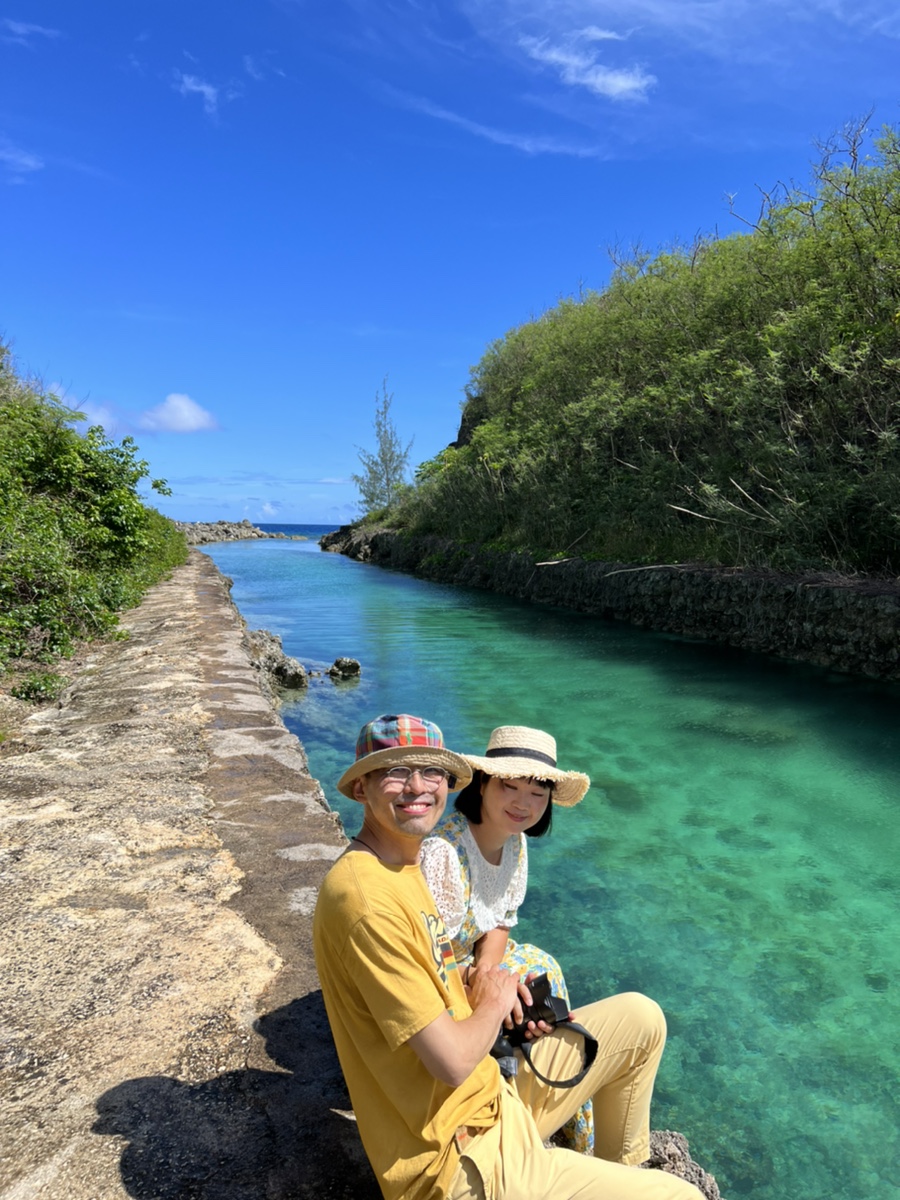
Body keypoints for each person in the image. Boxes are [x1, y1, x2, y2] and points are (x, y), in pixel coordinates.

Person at [312, 713, 707, 1200]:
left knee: (642, 1019)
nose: (417, 786)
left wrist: (503, 999)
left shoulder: (407, 864)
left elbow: (456, 968)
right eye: (396, 771)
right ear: (360, 789)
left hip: (494, 1104)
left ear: (450, 783)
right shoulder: (368, 900)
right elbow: (453, 1061)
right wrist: (494, 1004)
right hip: (456, 1156)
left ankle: (613, 1172)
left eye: (432, 772)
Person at [419, 725, 594, 1154]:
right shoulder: (444, 851)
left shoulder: (514, 843)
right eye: (510, 787)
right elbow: (423, 952)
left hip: (472, 966)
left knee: (542, 974)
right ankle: (545, 1111)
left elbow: (500, 922)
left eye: (538, 793)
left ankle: (555, 1103)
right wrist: (481, 983)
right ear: (482, 784)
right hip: (437, 977)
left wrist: (490, 970)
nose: (523, 803)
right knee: (532, 996)